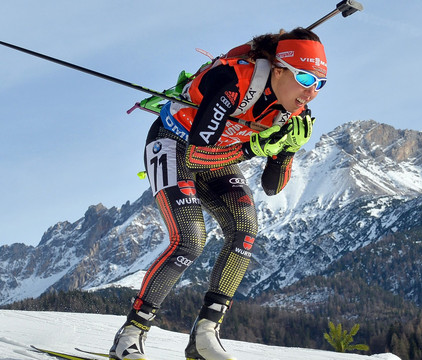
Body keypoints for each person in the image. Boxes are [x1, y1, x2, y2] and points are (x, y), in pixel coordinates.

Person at [109, 27, 327, 360]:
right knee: (189, 240)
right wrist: (256, 146)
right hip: (174, 143)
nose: (311, 92)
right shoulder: (233, 80)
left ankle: (204, 337)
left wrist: (287, 150)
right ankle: (130, 335)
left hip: (221, 154)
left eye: (320, 83)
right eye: (306, 79)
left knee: (245, 229)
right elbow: (196, 155)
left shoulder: (294, 111)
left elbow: (272, 187)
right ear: (279, 70)